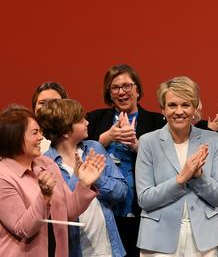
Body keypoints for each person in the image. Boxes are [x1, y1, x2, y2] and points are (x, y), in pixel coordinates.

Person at [135, 76, 218, 255]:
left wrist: (199, 177)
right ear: (163, 109)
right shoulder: (148, 142)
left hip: (204, 239)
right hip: (158, 239)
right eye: (172, 105)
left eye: (185, 105)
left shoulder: (212, 139)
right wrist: (181, 179)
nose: (179, 111)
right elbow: (145, 199)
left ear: (194, 108)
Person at [0, 105, 105, 257]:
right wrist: (44, 197)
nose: (41, 138)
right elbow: (23, 229)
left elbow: (69, 211)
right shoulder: (3, 177)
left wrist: (83, 184)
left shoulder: (46, 164)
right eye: (35, 133)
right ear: (15, 138)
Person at [86, 64, 166, 256]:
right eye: (115, 87)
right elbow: (77, 156)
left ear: (137, 89)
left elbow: (166, 164)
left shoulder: (157, 122)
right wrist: (106, 138)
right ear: (109, 93)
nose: (121, 92)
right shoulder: (94, 119)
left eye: (127, 86)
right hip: (103, 210)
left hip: (143, 210)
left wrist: (137, 146)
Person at [39, 99, 128, 257]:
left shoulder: (94, 148)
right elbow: (61, 212)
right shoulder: (45, 164)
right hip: (76, 250)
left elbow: (121, 192)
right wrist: (80, 178)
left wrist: (97, 178)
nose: (87, 122)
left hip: (110, 248)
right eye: (81, 120)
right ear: (66, 130)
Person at [32, 81, 70, 153]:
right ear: (34, 107)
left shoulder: (75, 135)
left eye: (55, 102)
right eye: (42, 103)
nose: (48, 107)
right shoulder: (23, 136)